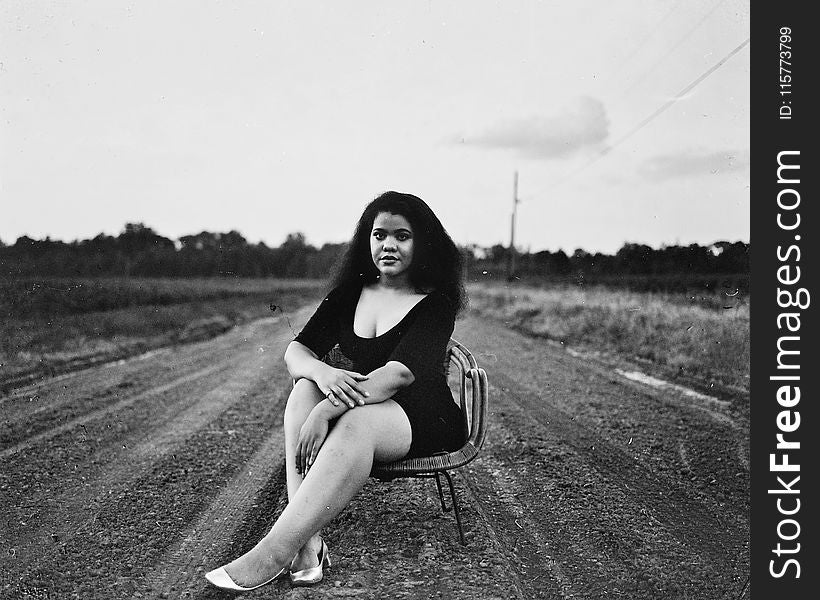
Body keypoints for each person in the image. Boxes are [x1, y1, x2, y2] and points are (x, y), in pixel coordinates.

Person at [205, 191, 467, 591]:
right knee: (303, 390)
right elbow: (298, 350)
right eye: (379, 235)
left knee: (355, 421)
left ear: (422, 242)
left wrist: (327, 411)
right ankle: (308, 545)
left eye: (402, 236)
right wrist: (322, 375)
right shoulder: (351, 293)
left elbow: (398, 376)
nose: (389, 245)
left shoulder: (435, 302)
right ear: (368, 240)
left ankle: (275, 551)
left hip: (419, 417)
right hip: (361, 403)